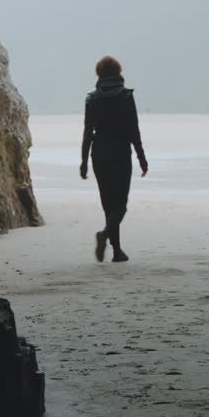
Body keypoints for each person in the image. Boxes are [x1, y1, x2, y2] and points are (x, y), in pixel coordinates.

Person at [80, 56, 148, 262]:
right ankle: (107, 237)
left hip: (99, 155)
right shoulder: (126, 97)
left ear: (99, 74)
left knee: (108, 205)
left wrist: (83, 161)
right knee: (120, 206)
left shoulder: (92, 99)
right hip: (120, 154)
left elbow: (87, 133)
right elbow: (133, 130)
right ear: (118, 72)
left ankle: (117, 250)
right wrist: (141, 158)